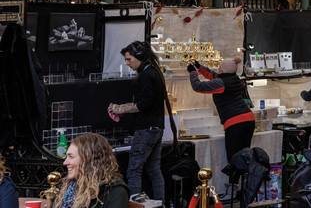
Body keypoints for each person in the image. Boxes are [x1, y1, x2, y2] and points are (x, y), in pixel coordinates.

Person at [108, 41, 174, 201]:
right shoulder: (154, 72)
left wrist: (121, 109)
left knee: (134, 170)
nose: (127, 63)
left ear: (139, 56)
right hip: (156, 127)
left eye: (129, 59)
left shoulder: (146, 75)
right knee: (154, 169)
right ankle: (160, 202)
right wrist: (124, 108)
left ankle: (134, 204)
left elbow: (144, 104)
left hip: (146, 128)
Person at [187, 56, 254, 159]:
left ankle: (235, 170)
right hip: (249, 119)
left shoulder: (221, 83)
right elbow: (214, 76)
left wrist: (193, 73)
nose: (218, 69)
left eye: (219, 67)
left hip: (235, 122)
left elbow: (198, 86)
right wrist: (199, 67)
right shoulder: (235, 78)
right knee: (245, 156)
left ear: (222, 70)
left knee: (234, 158)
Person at [57, 133, 129, 208]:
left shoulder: (114, 192)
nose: (65, 162)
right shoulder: (71, 187)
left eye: (71, 156)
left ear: (88, 160)